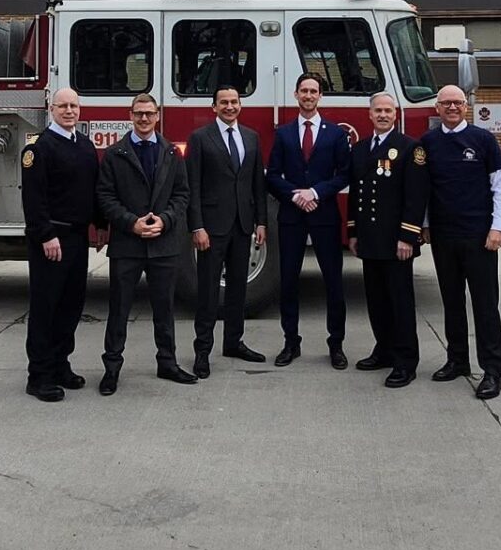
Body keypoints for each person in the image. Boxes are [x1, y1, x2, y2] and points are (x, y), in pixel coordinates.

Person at [94, 92, 197, 394]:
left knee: (164, 309)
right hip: (127, 246)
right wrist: (131, 223)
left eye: (149, 113)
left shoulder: (171, 153)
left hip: (163, 245)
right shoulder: (114, 154)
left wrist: (165, 219)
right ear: (130, 115)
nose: (143, 118)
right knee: (119, 310)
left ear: (157, 116)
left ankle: (167, 363)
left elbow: (182, 194)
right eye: (138, 113)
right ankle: (111, 369)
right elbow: (105, 196)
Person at [420, 84, 501, 400]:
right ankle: (457, 360)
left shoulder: (483, 140)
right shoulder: (428, 143)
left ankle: (492, 371)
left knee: (485, 305)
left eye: (457, 102)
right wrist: (427, 225)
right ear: (436, 108)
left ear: (466, 106)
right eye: (446, 103)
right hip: (444, 237)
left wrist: (498, 228)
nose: (452, 107)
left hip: (479, 237)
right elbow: (425, 190)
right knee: (452, 302)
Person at [19, 87, 105, 402]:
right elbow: (33, 197)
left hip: (78, 238)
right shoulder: (38, 149)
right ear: (51, 109)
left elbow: (91, 191)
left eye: (74, 106)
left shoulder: (84, 145)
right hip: (51, 241)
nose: (69, 111)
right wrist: (45, 235)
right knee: (46, 307)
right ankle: (39, 376)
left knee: (71, 306)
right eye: (63, 106)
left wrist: (101, 225)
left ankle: (60, 365)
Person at [265, 73, 352, 368]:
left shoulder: (335, 134)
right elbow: (273, 176)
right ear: (295, 94)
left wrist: (315, 192)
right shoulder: (284, 134)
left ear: (320, 96)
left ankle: (336, 344)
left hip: (325, 215)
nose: (308, 95)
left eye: (313, 91)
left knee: (333, 283)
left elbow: (344, 174)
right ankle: (291, 343)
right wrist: (294, 195)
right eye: (304, 90)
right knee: (288, 281)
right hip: (291, 216)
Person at [185, 85, 268, 378]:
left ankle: (234, 342)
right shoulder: (199, 138)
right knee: (208, 292)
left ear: (240, 106)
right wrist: (197, 226)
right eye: (224, 102)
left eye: (234, 102)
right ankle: (202, 351)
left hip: (243, 226)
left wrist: (261, 222)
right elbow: (192, 186)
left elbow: (257, 183)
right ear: (214, 107)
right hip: (212, 228)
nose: (230, 107)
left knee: (238, 288)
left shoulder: (251, 137)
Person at [346, 92, 427, 389]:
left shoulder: (410, 148)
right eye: (377, 110)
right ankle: (384, 350)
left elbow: (415, 197)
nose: (382, 115)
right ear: (369, 114)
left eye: (388, 111)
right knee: (377, 301)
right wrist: (353, 232)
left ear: (395, 115)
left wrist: (408, 236)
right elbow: (357, 193)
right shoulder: (362, 148)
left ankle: (406, 362)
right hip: (369, 240)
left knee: (400, 303)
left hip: (397, 242)